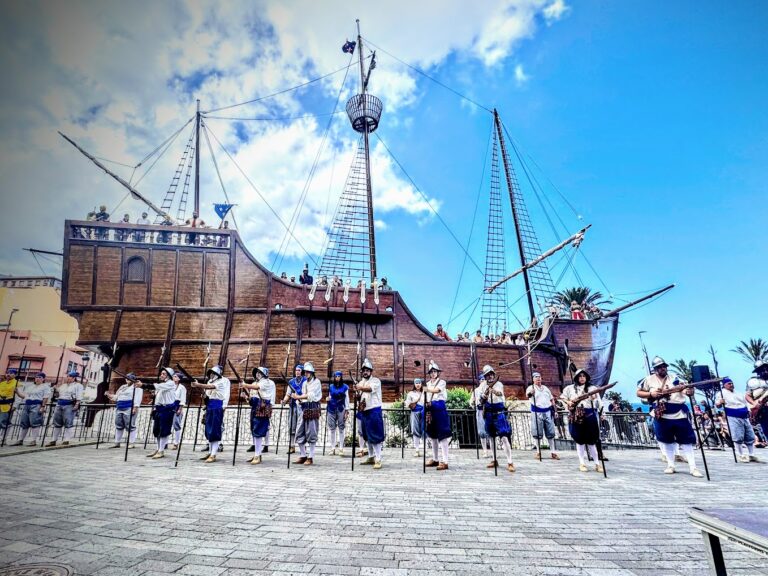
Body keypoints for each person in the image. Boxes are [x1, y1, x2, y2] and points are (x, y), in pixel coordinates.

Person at [637, 356, 703, 477]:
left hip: (678, 412)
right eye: (659, 367)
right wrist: (651, 393)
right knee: (667, 440)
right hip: (661, 412)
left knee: (686, 441)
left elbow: (683, 390)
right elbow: (639, 392)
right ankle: (670, 465)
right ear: (655, 369)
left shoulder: (674, 378)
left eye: (664, 366)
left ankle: (693, 467)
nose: (662, 369)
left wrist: (689, 391)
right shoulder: (649, 379)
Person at [562, 369, 603, 472]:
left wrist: (594, 399)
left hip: (589, 415)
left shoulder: (592, 388)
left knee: (591, 441)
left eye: (584, 376)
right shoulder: (569, 388)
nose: (582, 378)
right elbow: (562, 398)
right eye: (580, 376)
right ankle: (582, 463)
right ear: (576, 378)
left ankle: (597, 463)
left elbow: (598, 403)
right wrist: (569, 402)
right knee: (580, 441)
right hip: (576, 416)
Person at [478, 365, 516, 472]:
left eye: (491, 374)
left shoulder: (499, 384)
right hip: (488, 413)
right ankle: (494, 459)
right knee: (491, 437)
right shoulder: (482, 385)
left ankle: (510, 461)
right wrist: (484, 396)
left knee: (504, 436)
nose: (489, 376)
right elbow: (481, 400)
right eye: (487, 375)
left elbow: (499, 394)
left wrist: (492, 390)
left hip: (499, 413)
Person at [191, 365, 230, 463]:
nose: (211, 375)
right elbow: (207, 393)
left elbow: (210, 387)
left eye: (213, 373)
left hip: (217, 406)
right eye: (210, 373)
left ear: (217, 374)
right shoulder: (209, 381)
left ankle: (213, 454)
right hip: (210, 406)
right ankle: (210, 452)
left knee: (215, 429)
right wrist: (201, 392)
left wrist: (198, 384)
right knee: (209, 429)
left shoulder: (221, 382)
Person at [717, 377, 758, 462]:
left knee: (749, 435)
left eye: (732, 383)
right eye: (729, 383)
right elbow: (717, 405)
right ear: (724, 385)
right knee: (737, 436)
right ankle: (740, 454)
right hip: (733, 415)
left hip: (744, 414)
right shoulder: (721, 393)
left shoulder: (739, 393)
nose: (731, 385)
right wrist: (720, 402)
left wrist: (749, 411)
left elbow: (745, 403)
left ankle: (751, 454)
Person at [354, 358, 385, 469]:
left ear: (371, 371)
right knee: (367, 435)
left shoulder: (375, 381)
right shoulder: (361, 382)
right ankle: (371, 456)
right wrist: (357, 394)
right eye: (364, 370)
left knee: (375, 435)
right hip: (365, 411)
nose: (365, 372)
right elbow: (361, 394)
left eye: (367, 370)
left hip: (374, 410)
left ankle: (378, 458)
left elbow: (369, 389)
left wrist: (359, 387)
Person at [241, 366, 275, 464]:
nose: (258, 374)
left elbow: (257, 387)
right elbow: (252, 399)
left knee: (259, 431)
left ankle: (257, 455)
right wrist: (246, 397)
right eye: (257, 372)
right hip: (255, 407)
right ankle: (257, 454)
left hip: (262, 407)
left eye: (260, 372)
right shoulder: (255, 383)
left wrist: (244, 385)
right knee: (254, 430)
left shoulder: (266, 382)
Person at [143, 367, 179, 459]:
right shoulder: (163, 385)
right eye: (161, 373)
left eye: (164, 374)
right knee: (157, 430)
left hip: (167, 410)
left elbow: (156, 386)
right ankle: (158, 449)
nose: (161, 375)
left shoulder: (170, 383)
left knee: (164, 431)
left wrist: (143, 385)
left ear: (168, 375)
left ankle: (161, 450)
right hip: (159, 409)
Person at [292, 361, 322, 466]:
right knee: (299, 432)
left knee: (311, 433)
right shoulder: (304, 383)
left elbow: (311, 395)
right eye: (306, 372)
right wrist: (298, 399)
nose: (307, 374)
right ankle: (303, 455)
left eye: (309, 372)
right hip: (304, 409)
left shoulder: (317, 382)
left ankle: (311, 456)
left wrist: (298, 397)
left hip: (313, 409)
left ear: (312, 373)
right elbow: (304, 395)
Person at [526, 372, 560, 461]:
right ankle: (538, 452)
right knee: (537, 433)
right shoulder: (531, 388)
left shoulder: (545, 388)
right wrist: (531, 393)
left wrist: (555, 410)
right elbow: (528, 396)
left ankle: (553, 452)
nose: (538, 379)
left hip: (547, 411)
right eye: (536, 377)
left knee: (551, 432)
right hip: (537, 412)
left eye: (539, 377)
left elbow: (551, 399)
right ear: (533, 379)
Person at [11, 372, 51, 446]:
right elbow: (24, 396)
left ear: (43, 379)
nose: (37, 379)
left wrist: (43, 406)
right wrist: (17, 392)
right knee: (24, 422)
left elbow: (45, 397)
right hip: (27, 404)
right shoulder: (30, 386)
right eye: (36, 377)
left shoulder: (45, 387)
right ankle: (20, 440)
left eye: (40, 377)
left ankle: (33, 440)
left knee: (35, 422)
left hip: (37, 404)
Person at [424, 361, 451, 470]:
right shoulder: (427, 383)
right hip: (430, 408)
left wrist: (425, 389)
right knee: (432, 435)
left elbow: (436, 391)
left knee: (442, 435)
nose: (433, 373)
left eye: (435, 371)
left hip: (439, 407)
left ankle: (445, 461)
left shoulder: (442, 382)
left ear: (438, 373)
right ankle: (435, 459)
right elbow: (426, 396)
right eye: (431, 372)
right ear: (429, 373)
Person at [47, 371, 84, 446]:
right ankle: (54, 440)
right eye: (67, 376)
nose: (67, 378)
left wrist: (77, 404)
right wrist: (55, 389)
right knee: (57, 422)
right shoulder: (63, 385)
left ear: (73, 378)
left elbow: (79, 395)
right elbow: (58, 394)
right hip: (60, 403)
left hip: (69, 404)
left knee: (68, 422)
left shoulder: (78, 385)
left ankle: (66, 439)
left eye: (69, 376)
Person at [105, 374, 143, 448]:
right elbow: (117, 396)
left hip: (129, 407)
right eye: (126, 378)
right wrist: (109, 395)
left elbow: (137, 398)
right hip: (120, 407)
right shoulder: (123, 387)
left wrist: (135, 407)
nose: (127, 380)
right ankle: (117, 442)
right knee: (119, 424)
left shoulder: (137, 387)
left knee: (130, 425)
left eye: (129, 378)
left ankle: (131, 443)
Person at [281, 364, 305, 454]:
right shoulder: (291, 382)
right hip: (293, 406)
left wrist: (300, 398)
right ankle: (292, 446)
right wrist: (284, 401)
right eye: (296, 370)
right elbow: (288, 394)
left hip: (302, 406)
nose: (297, 372)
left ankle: (303, 447)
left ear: (302, 371)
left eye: (299, 370)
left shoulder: (305, 381)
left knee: (302, 426)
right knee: (292, 426)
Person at [326, 371, 349, 456]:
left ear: (341, 377)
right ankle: (332, 448)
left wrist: (347, 410)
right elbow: (330, 396)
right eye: (336, 376)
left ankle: (341, 448)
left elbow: (347, 399)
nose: (337, 378)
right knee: (332, 428)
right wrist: (327, 399)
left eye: (339, 376)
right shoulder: (331, 387)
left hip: (341, 408)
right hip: (331, 408)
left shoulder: (345, 387)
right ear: (334, 377)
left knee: (341, 428)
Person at [469, 373, 491, 458]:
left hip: (488, 410)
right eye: (481, 380)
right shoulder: (476, 390)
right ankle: (485, 450)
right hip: (480, 410)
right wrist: (473, 402)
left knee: (490, 430)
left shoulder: (489, 388)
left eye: (483, 380)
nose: (482, 381)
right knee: (482, 432)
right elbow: (471, 402)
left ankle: (493, 450)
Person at [746, 360, 768, 440]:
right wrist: (754, 403)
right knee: (766, 429)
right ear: (758, 371)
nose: (765, 371)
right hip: (763, 410)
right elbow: (747, 396)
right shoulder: (753, 382)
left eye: (766, 368)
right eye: (762, 369)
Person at [405, 378, 425, 457]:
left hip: (424, 412)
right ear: (414, 384)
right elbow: (407, 404)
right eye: (416, 383)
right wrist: (411, 403)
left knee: (424, 430)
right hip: (414, 413)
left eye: (419, 383)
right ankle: (417, 450)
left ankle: (425, 449)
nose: (418, 384)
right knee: (415, 430)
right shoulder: (410, 393)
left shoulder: (424, 392)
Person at [170, 371, 187, 450]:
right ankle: (165, 442)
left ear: (179, 378)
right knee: (166, 424)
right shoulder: (170, 386)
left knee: (176, 424)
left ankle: (176, 443)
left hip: (177, 406)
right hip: (169, 406)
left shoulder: (181, 388)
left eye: (176, 376)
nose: (174, 377)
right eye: (173, 376)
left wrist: (180, 409)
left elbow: (183, 399)